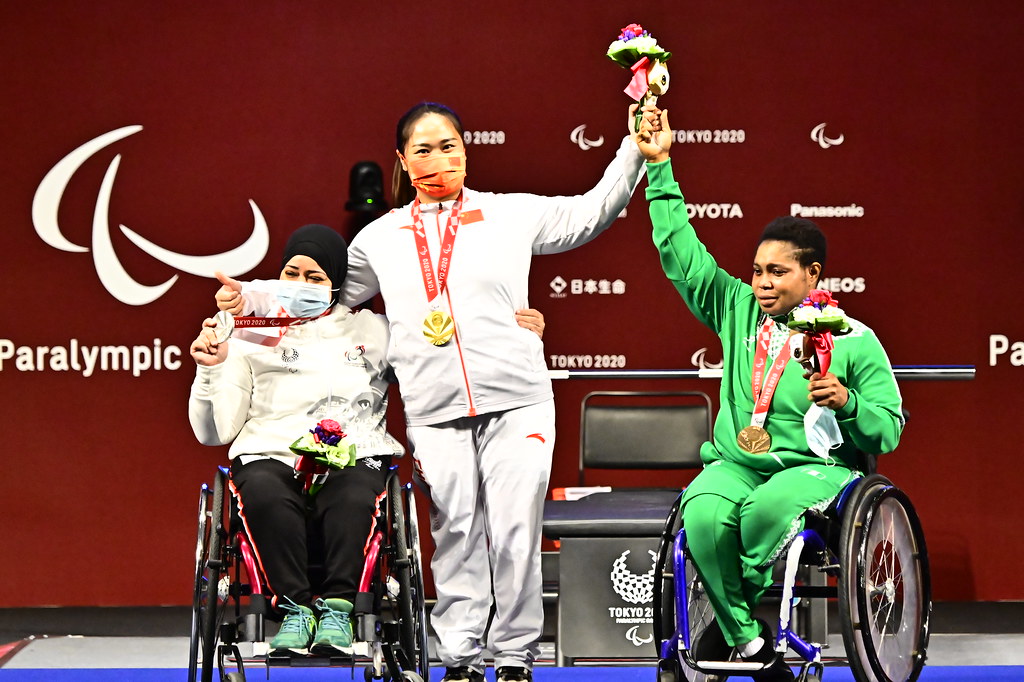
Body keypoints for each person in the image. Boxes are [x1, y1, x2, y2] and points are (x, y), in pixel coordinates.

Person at [214, 101, 647, 682]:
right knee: (457, 532)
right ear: (402, 159)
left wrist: (634, 149)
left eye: (448, 146)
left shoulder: (508, 215)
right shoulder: (381, 238)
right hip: (434, 406)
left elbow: (591, 213)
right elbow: (324, 295)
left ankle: (516, 655)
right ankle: (462, 657)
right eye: (422, 148)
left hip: (517, 400)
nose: (438, 158)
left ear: (466, 151)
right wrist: (250, 299)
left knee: (516, 529)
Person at [635, 108, 903, 681]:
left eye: (777, 272)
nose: (761, 282)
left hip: (815, 469)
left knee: (766, 510)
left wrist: (849, 404)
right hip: (737, 460)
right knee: (703, 515)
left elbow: (889, 428)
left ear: (813, 274)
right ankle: (751, 642)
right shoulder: (735, 308)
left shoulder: (854, 338)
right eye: (756, 270)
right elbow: (682, 256)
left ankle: (729, 626)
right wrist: (660, 166)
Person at [189, 224, 406, 657]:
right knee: (266, 491)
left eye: (315, 278)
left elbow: (445, 354)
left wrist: (519, 333)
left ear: (338, 284)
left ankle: (338, 611)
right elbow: (214, 432)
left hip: (356, 450)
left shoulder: (377, 330)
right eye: (292, 273)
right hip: (269, 449)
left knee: (351, 493)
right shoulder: (249, 330)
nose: (300, 286)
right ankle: (294, 609)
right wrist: (210, 368)